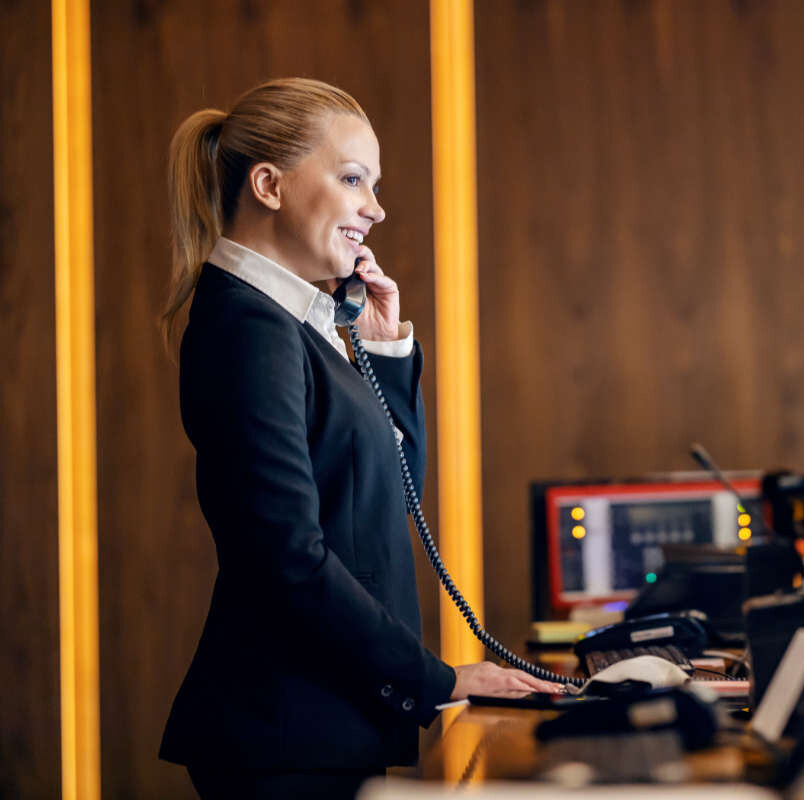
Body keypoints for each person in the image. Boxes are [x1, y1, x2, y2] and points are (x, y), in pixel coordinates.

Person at [159, 78, 562, 799]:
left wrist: (384, 355)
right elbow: (286, 556)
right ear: (269, 186)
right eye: (353, 180)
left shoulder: (292, 326)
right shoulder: (248, 327)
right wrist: (436, 678)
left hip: (320, 721)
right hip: (283, 730)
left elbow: (390, 496)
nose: (375, 209)